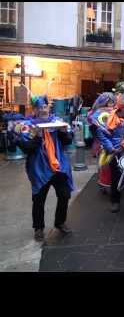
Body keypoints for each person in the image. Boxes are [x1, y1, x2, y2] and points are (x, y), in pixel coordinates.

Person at [9, 95, 74, 241]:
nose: (42, 110)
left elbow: (68, 141)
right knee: (39, 199)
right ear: (34, 109)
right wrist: (37, 136)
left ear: (48, 107)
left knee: (64, 195)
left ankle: (60, 222)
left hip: (59, 166)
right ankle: (38, 228)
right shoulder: (27, 125)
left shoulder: (57, 122)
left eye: (44, 107)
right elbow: (27, 148)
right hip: (39, 168)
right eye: (39, 107)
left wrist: (64, 132)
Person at [96, 93, 124, 213]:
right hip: (116, 151)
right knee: (115, 177)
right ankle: (115, 201)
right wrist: (111, 148)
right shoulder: (111, 118)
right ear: (121, 107)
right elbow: (101, 133)